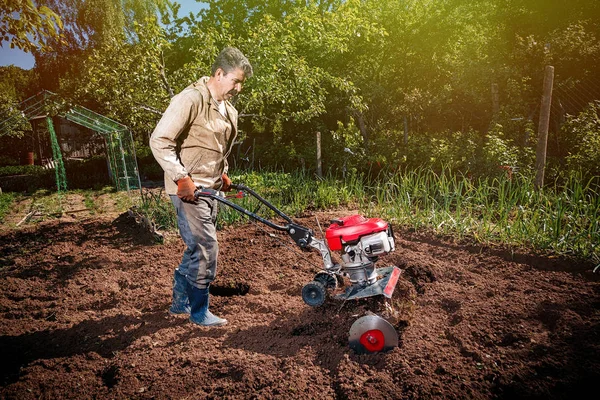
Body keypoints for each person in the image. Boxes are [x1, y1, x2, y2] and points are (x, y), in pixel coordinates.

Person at [150, 47, 253, 327]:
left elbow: (217, 149)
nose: (239, 88)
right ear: (219, 74)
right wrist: (180, 176)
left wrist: (224, 174)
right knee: (206, 247)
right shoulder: (190, 99)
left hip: (211, 189)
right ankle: (199, 310)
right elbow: (160, 140)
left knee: (196, 247)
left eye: (242, 83)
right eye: (236, 81)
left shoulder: (227, 109)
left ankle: (179, 303)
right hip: (189, 190)